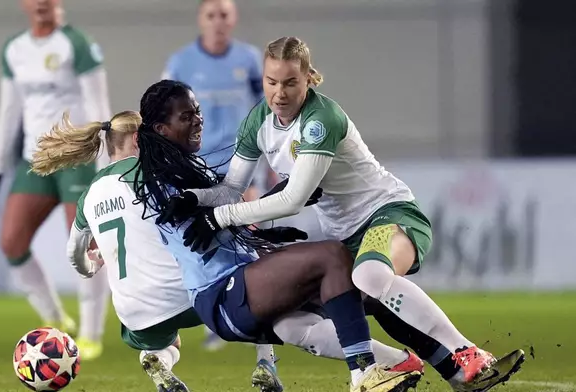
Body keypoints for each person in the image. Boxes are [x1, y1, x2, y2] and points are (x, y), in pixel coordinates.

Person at [159, 36, 526, 392]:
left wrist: (221, 218)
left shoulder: (320, 119)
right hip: (346, 235)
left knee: (369, 276)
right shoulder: (260, 119)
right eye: (271, 82)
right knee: (345, 307)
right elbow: (231, 189)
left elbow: (292, 199)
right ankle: (455, 375)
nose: (279, 93)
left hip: (387, 214)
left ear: (308, 79)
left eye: (290, 83)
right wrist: (195, 199)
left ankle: (465, 351)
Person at [29, 108, 425, 392]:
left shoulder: (90, 195)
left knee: (166, 338)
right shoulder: (160, 174)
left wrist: (91, 264)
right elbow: (223, 214)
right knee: (270, 302)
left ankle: (159, 361)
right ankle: (270, 365)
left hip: (136, 313)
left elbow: (73, 256)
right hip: (190, 294)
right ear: (140, 139)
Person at [0, 0, 111, 360]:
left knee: (85, 246)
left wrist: (103, 165)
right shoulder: (15, 49)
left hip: (76, 157)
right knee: (12, 243)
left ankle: (90, 334)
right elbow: (9, 110)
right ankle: (57, 320)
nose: (42, 3)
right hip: (34, 159)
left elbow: (98, 105)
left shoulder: (78, 44)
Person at [162, 0, 276, 349]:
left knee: (248, 237)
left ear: (234, 18)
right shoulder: (181, 63)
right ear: (201, 20)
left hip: (243, 162)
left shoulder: (249, 59)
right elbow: (163, 113)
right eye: (211, 15)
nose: (218, 22)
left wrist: (272, 163)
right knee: (204, 241)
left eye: (224, 15)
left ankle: (262, 320)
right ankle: (217, 314)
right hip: (196, 166)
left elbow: (268, 111)